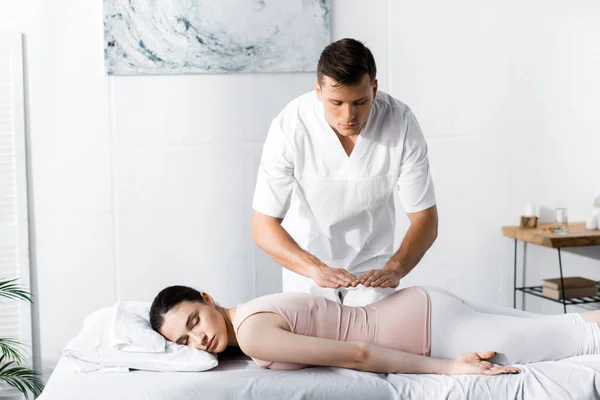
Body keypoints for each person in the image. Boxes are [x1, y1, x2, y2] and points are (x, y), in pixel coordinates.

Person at [251, 38, 438, 307]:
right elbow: (263, 226)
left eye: (360, 102)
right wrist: (315, 269)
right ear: (318, 91)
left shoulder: (400, 122)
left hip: (374, 271)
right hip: (307, 269)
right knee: (313, 346)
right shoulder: (290, 125)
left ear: (374, 88)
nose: (348, 115)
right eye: (336, 103)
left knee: (374, 343)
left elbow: (425, 219)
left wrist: (397, 268)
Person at [149, 284, 600, 375]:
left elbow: (357, 354)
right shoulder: (252, 307)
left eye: (193, 322)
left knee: (579, 337)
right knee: (571, 324)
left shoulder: (250, 333)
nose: (198, 339)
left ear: (207, 298)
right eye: (185, 341)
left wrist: (447, 370)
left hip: (429, 330)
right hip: (420, 305)